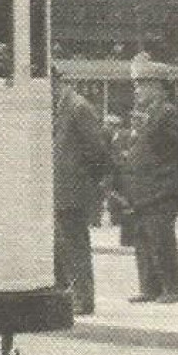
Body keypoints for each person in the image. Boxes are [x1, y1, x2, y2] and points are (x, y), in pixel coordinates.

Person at [118, 57, 178, 304]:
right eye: (137, 85)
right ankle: (150, 288)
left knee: (161, 239)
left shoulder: (166, 113)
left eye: (142, 85)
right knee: (143, 239)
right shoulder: (148, 114)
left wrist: (175, 172)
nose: (137, 90)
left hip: (160, 188)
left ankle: (173, 289)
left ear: (157, 87)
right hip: (144, 190)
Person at [51, 72, 110, 315]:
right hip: (62, 187)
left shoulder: (77, 107)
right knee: (63, 244)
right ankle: (69, 294)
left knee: (75, 244)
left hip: (73, 187)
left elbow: (97, 148)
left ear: (54, 81)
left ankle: (82, 298)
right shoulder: (60, 106)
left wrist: (89, 180)